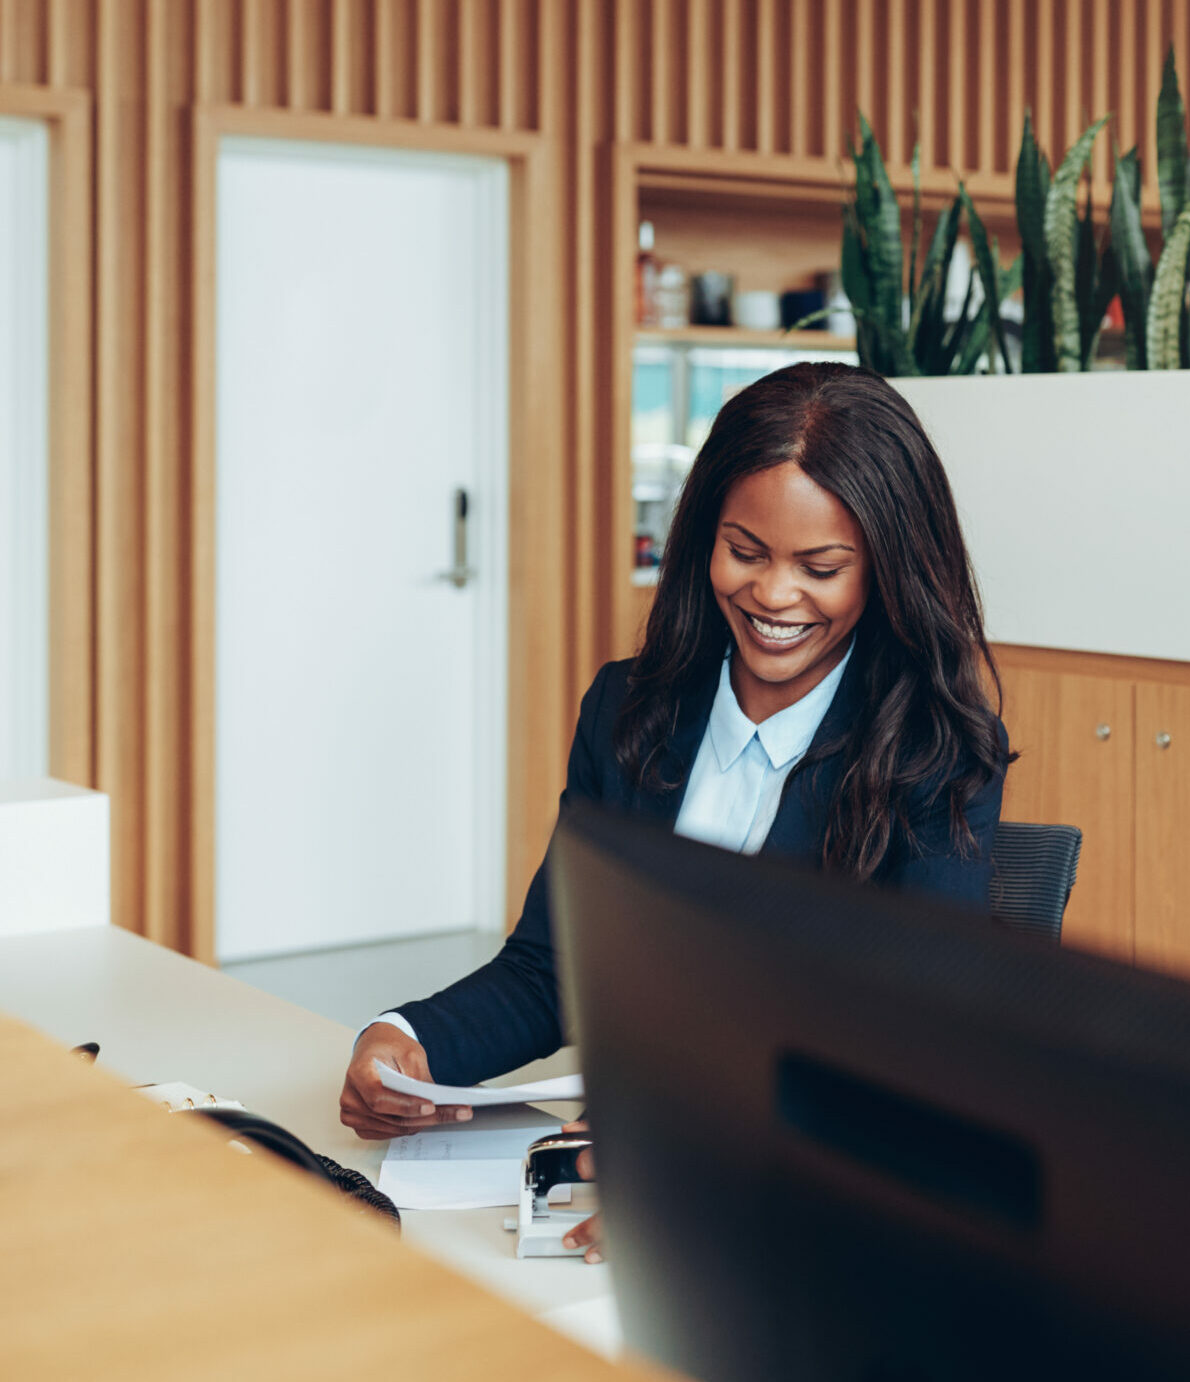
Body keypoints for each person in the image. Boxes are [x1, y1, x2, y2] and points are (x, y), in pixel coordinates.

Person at [338, 362, 1012, 1259]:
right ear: (701, 538)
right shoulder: (630, 710)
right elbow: (554, 969)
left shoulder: (932, 750)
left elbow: (922, 1055)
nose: (773, 596)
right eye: (745, 550)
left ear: (886, 569)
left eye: (820, 568)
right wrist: (406, 1039)